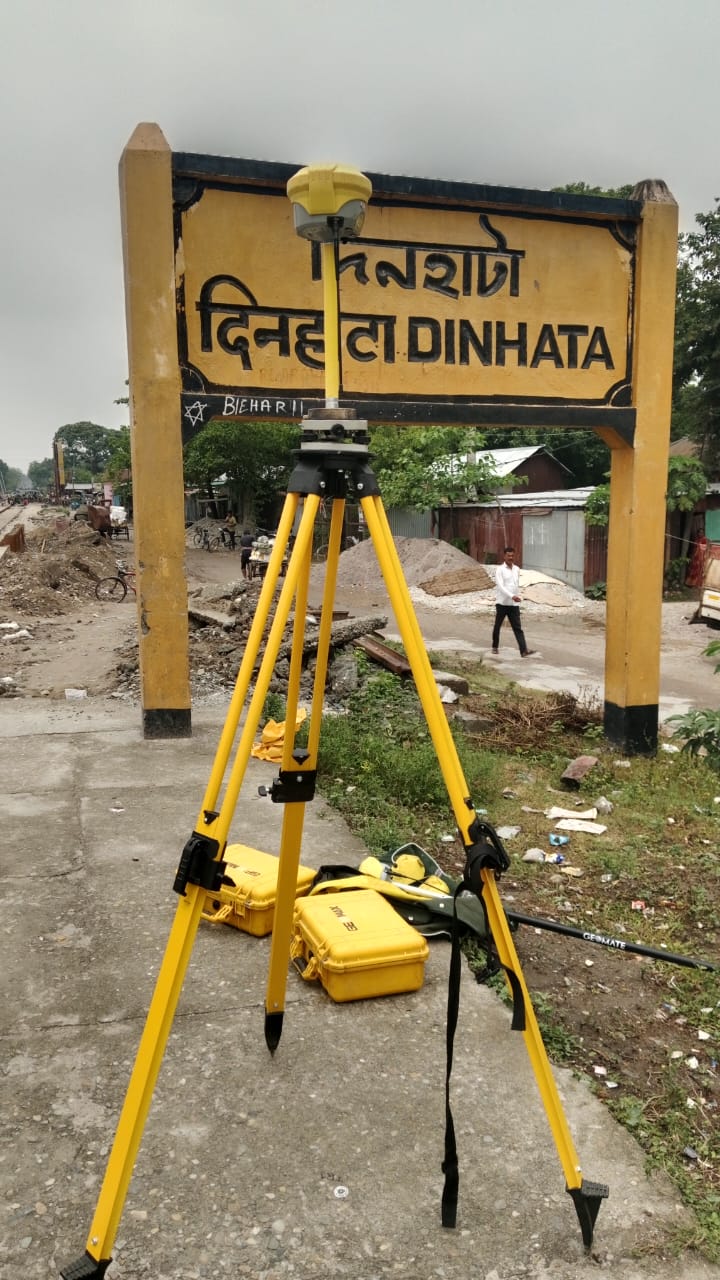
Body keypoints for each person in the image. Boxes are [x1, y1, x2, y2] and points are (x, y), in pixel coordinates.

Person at [491, 546, 535, 657]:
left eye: (512, 555)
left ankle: (523, 650)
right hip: (502, 603)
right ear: (504, 556)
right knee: (497, 626)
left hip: (513, 604)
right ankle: (495, 646)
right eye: (508, 555)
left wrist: (516, 597)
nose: (511, 557)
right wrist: (512, 596)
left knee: (518, 628)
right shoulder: (499, 570)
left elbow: (515, 585)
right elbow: (501, 586)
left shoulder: (516, 569)